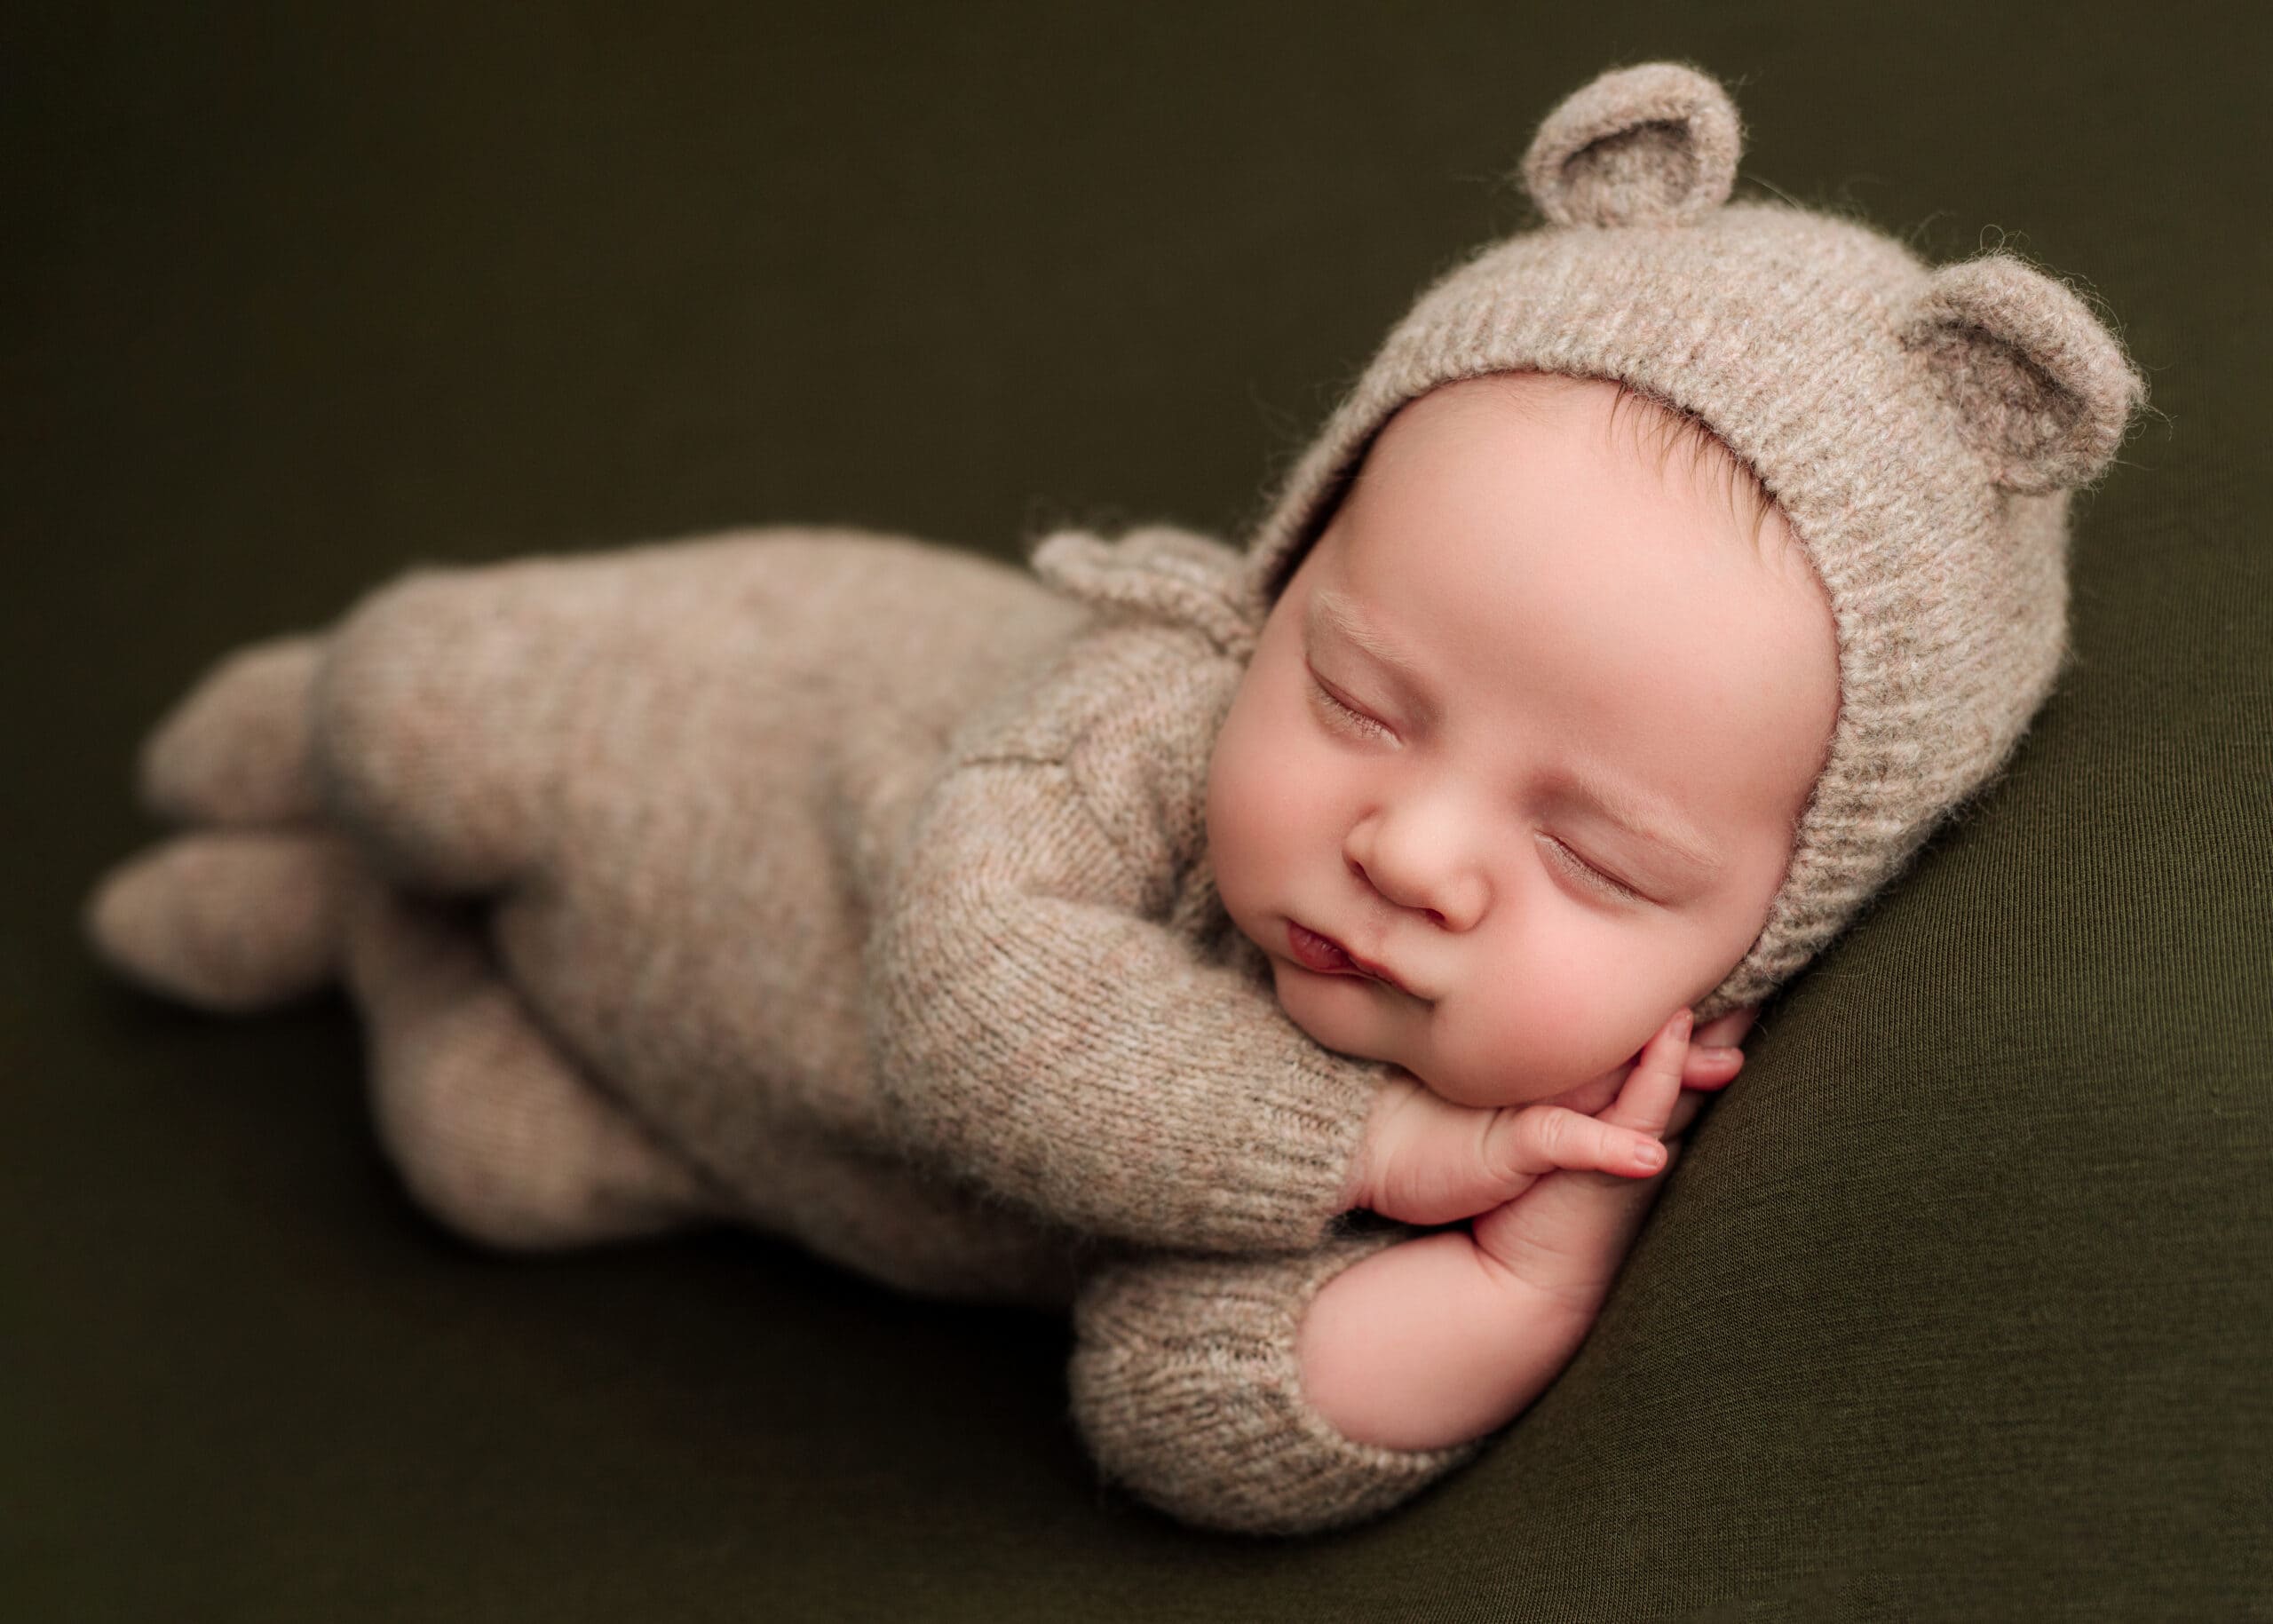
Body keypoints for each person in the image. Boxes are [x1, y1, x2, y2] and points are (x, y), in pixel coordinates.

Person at [79, 62, 2142, 1534]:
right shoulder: (1152, 725)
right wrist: (1387, 1141)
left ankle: (349, 925)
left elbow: (1182, 1418)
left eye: (1588, 852)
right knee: (426, 722)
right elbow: (976, 1003)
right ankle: (302, 748)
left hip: (660, 1084)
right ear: (1284, 574)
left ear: (1768, 926)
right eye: (1353, 690)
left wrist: (1531, 1269)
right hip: (692, 713)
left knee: (483, 1156)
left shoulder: (1515, 1145)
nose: (1406, 850)